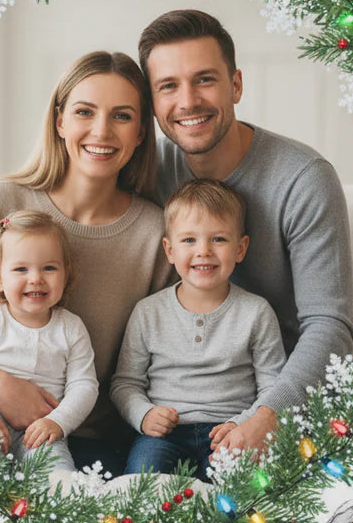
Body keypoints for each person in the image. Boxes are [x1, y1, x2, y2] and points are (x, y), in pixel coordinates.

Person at [0, 52, 171, 475]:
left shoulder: (155, 234)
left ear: (142, 132)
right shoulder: (1, 205)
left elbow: (155, 363)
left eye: (122, 116)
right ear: (60, 121)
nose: (101, 131)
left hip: (83, 444)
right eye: (84, 112)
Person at [139, 10, 353, 455]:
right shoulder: (149, 171)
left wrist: (266, 418)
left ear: (235, 84)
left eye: (204, 80)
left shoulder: (303, 178)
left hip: (280, 398)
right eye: (168, 86)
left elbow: (330, 326)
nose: (187, 101)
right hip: (174, 413)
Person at [112, 179, 287, 480]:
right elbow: (125, 383)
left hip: (230, 431)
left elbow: (272, 386)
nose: (203, 251)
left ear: (240, 248)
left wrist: (244, 424)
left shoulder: (256, 312)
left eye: (218, 239)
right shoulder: (148, 312)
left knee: (242, 493)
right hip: (164, 436)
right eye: (189, 240)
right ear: (169, 250)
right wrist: (144, 415)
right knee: (142, 482)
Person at [0, 211, 98, 471]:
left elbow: (85, 386)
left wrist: (58, 422)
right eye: (21, 269)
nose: (35, 278)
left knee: (58, 481)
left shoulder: (71, 328)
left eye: (49, 268)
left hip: (42, 432)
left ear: (65, 275)